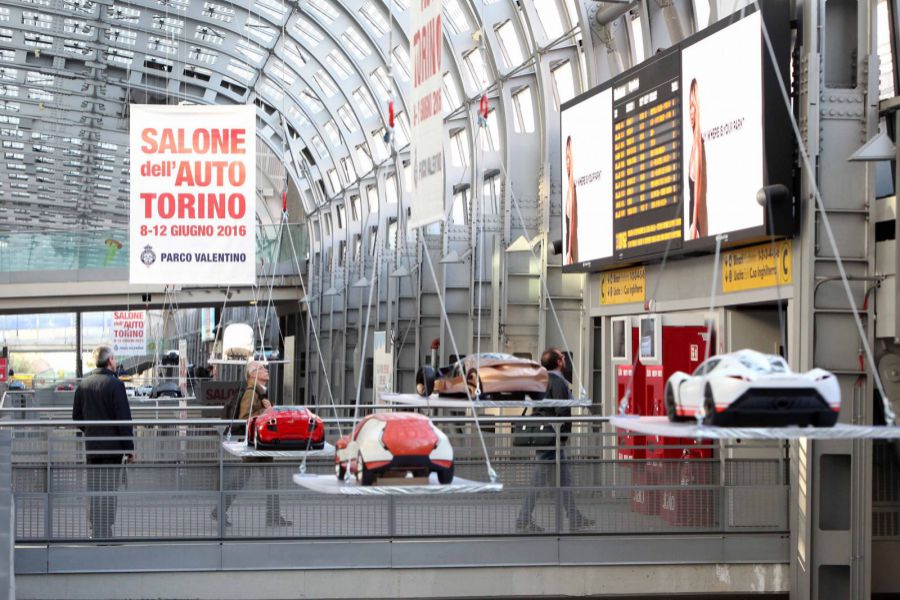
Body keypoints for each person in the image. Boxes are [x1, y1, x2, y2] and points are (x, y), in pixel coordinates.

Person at [516, 348, 594, 533]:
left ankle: (574, 517)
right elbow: (562, 412)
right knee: (539, 482)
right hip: (554, 439)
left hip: (544, 437)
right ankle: (523, 519)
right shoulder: (558, 382)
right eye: (562, 356)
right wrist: (565, 436)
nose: (565, 357)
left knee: (564, 480)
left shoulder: (540, 381)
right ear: (559, 362)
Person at [212, 361, 293, 527]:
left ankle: (273, 516)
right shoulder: (252, 393)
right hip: (254, 443)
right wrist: (267, 411)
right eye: (261, 368)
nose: (266, 370)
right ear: (253, 374)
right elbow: (244, 418)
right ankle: (220, 510)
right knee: (246, 478)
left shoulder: (259, 392)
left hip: (261, 442)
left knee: (268, 478)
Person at [72, 346, 134, 539]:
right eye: (114, 359)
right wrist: (129, 448)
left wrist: (91, 431)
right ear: (110, 361)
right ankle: (105, 531)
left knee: (95, 488)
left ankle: (95, 529)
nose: (115, 362)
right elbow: (123, 419)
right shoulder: (116, 385)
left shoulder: (84, 385)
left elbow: (77, 417)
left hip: (92, 448)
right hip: (113, 449)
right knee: (109, 490)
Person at [687, 78, 707, 240]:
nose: (691, 112)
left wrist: (694, 227)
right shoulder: (693, 145)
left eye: (693, 107)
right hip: (693, 223)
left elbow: (697, 191)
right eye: (689, 107)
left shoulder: (698, 144)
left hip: (695, 225)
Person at [564, 136, 578, 264]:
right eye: (566, 158)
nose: (567, 162)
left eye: (569, 158)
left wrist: (569, 254)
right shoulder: (568, 190)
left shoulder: (572, 189)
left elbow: (572, 223)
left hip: (572, 254)